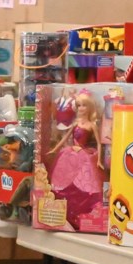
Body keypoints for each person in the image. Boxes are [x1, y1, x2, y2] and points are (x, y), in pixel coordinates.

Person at [47, 90, 106, 230]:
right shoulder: (75, 124)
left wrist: (99, 159)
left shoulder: (92, 126)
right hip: (70, 153)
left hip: (84, 154)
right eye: (79, 105)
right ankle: (64, 208)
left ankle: (84, 211)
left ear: (89, 107)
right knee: (61, 182)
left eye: (84, 105)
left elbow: (99, 142)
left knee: (88, 183)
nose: (81, 108)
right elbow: (64, 139)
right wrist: (54, 150)